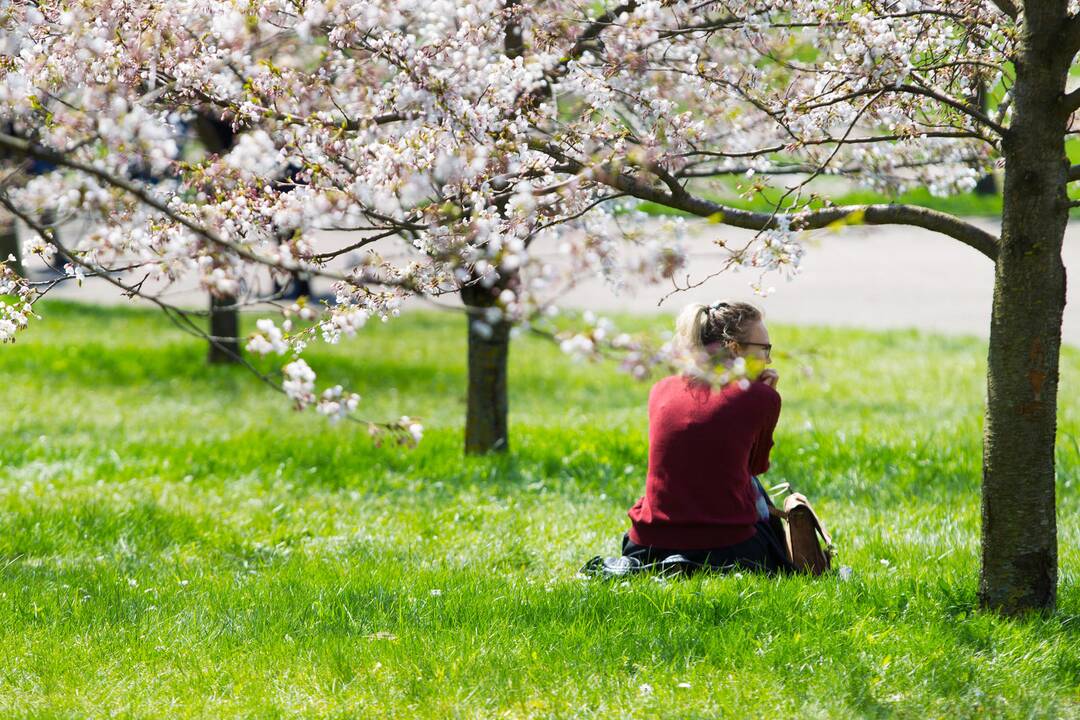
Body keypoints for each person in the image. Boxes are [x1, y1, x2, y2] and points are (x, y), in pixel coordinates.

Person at [620, 300, 793, 574]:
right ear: (736, 349)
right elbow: (754, 468)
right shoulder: (762, 396)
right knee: (757, 493)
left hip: (648, 544)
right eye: (764, 349)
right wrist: (762, 397)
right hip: (728, 548)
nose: (769, 360)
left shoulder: (661, 389)